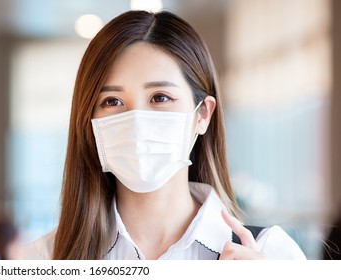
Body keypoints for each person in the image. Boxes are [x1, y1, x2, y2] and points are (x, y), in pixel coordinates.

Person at [20, 10, 306, 260]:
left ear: (202, 115)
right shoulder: (45, 259)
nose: (136, 121)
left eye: (160, 97)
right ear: (89, 119)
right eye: (113, 101)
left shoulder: (270, 253)